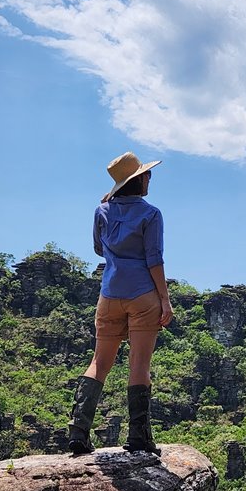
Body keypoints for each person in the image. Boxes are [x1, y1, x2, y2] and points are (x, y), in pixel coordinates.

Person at [68, 151, 174, 456]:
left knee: (99, 361)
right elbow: (154, 259)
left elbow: (100, 249)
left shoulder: (101, 211)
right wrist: (165, 300)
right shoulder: (151, 214)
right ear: (138, 179)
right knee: (139, 364)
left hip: (109, 295)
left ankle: (78, 433)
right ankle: (139, 437)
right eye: (147, 174)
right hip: (143, 295)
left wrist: (109, 207)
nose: (150, 178)